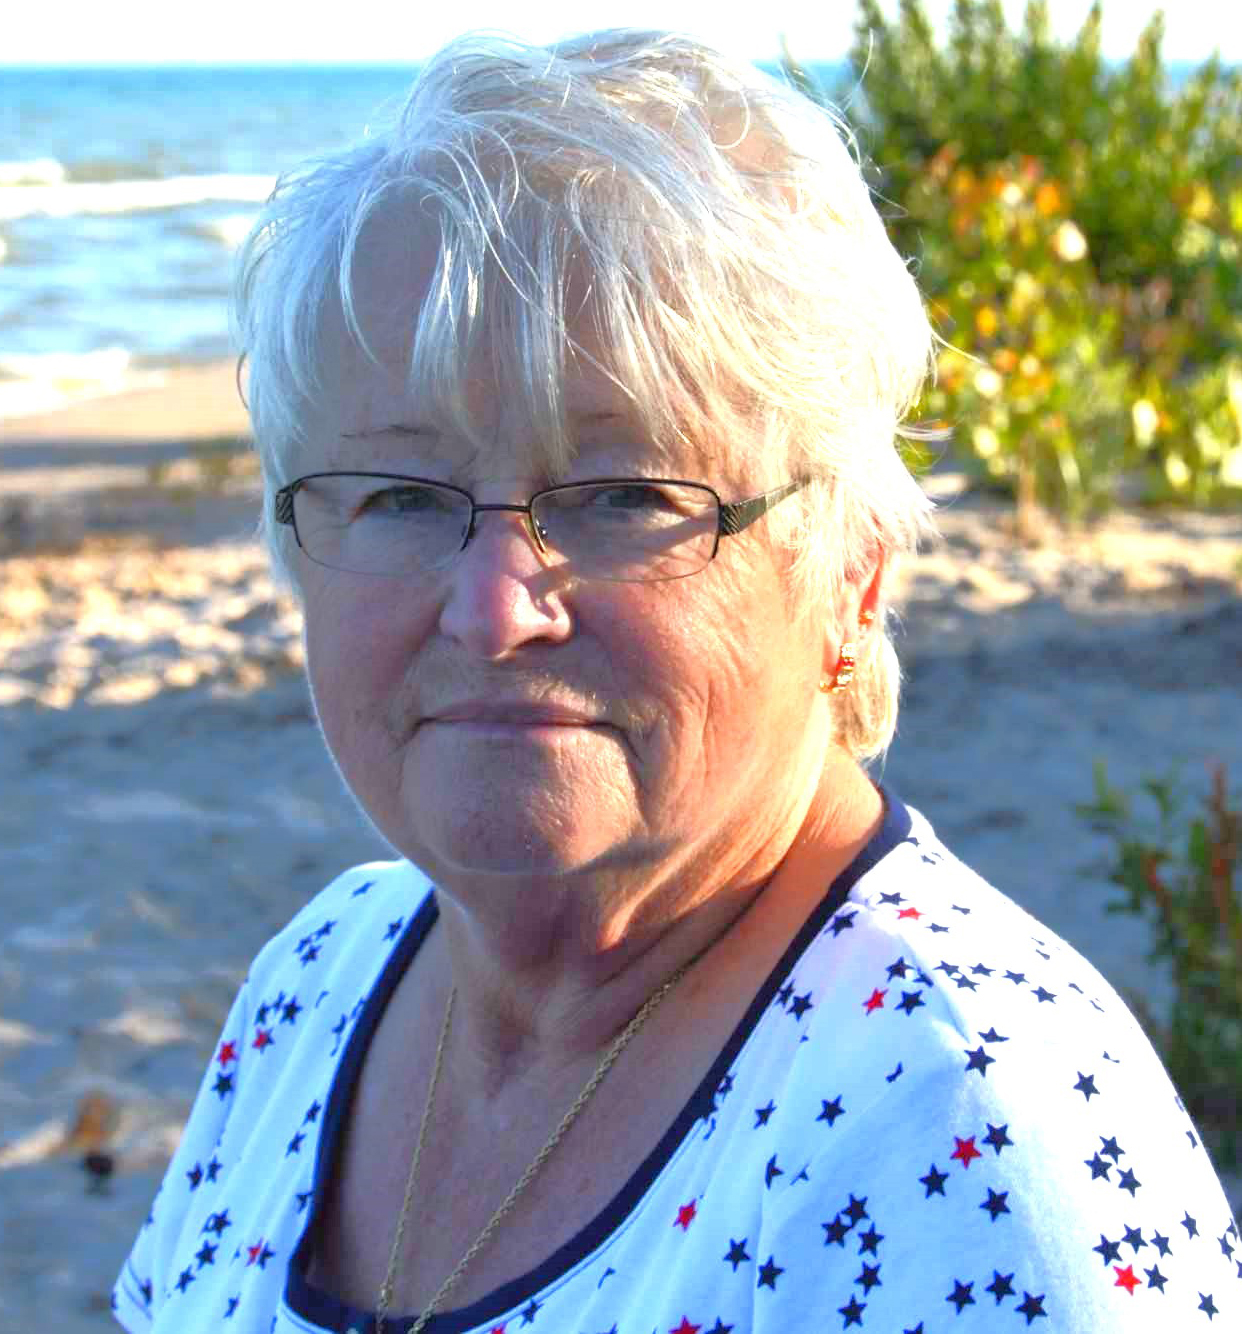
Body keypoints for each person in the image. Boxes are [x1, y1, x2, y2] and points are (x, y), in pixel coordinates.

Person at [113, 28, 1239, 1334]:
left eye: (624, 495)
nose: (492, 609)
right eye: (401, 496)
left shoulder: (969, 1132)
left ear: (851, 572)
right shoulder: (322, 977)